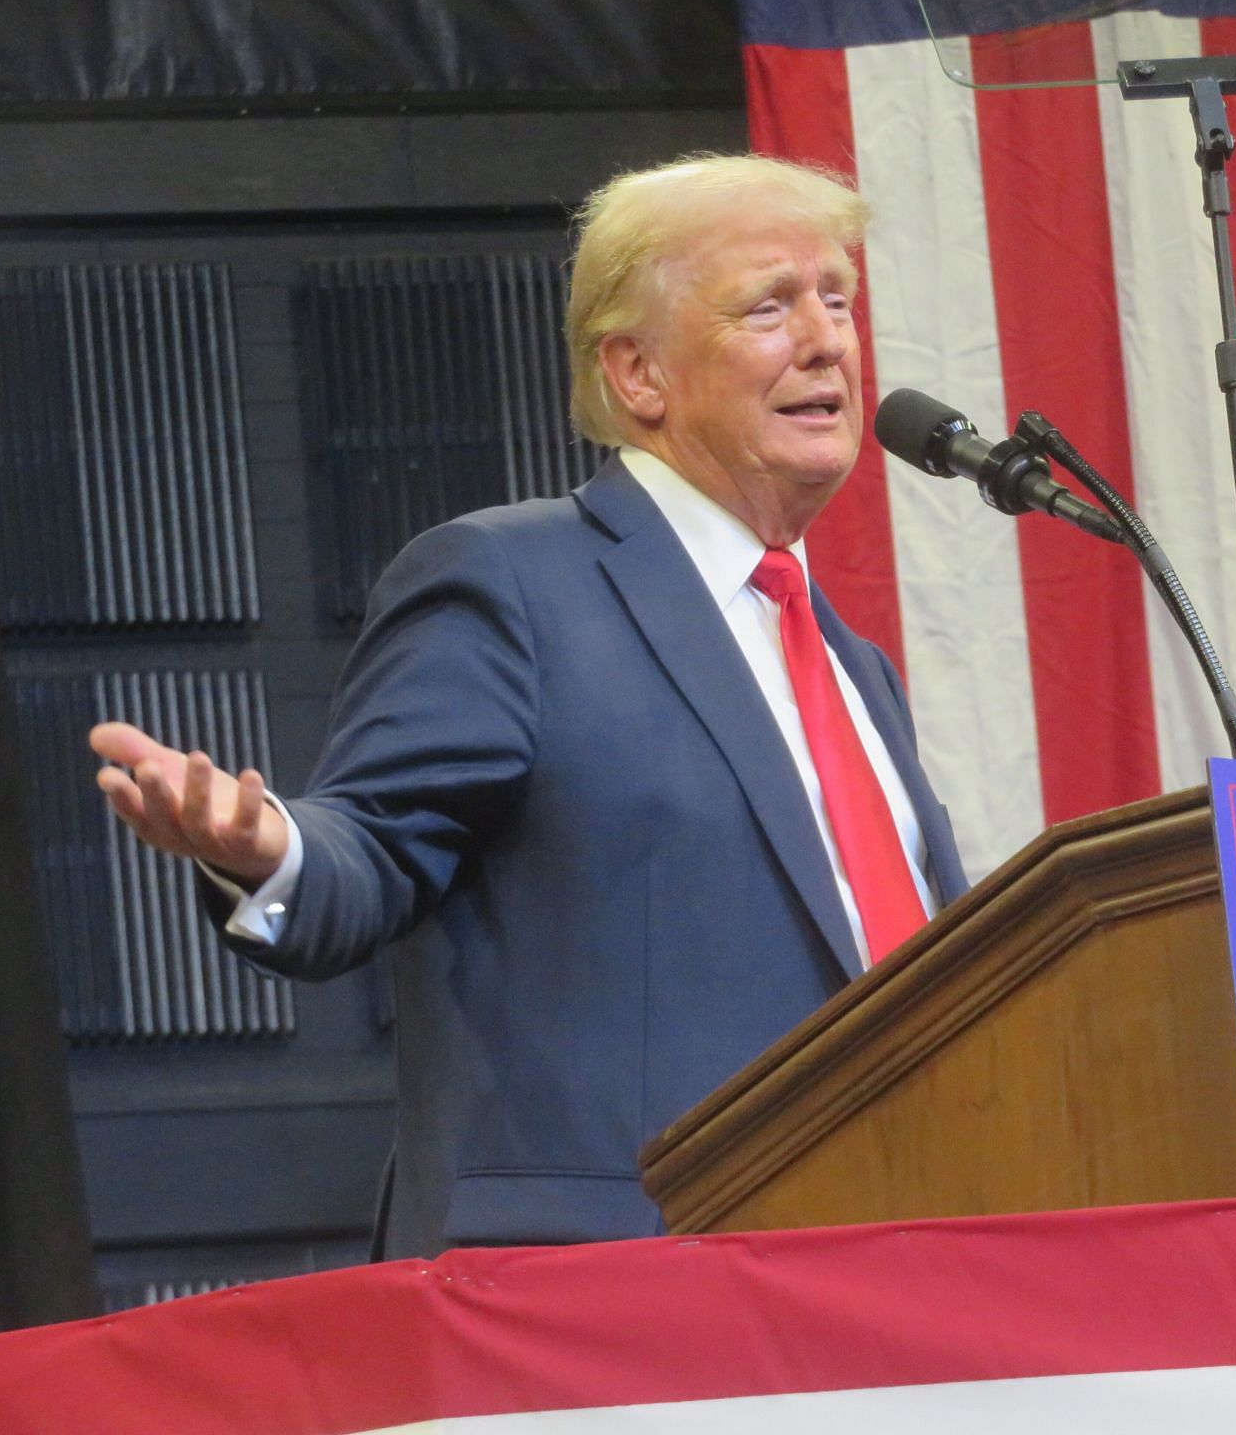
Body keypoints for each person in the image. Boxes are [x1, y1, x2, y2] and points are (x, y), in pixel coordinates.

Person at [88, 154, 970, 1258]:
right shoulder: (514, 581)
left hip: (881, 1282)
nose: (826, 339)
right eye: (768, 305)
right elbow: (371, 847)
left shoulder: (855, 668)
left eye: (836, 300)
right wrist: (266, 855)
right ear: (638, 373)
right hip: (606, 1299)